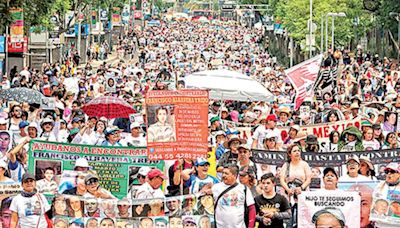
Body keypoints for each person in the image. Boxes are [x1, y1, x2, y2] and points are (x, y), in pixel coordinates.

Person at [372, 162, 400, 227]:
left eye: (392, 171)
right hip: (381, 225)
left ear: (399, 174)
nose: (389, 174)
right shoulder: (380, 186)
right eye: (387, 171)